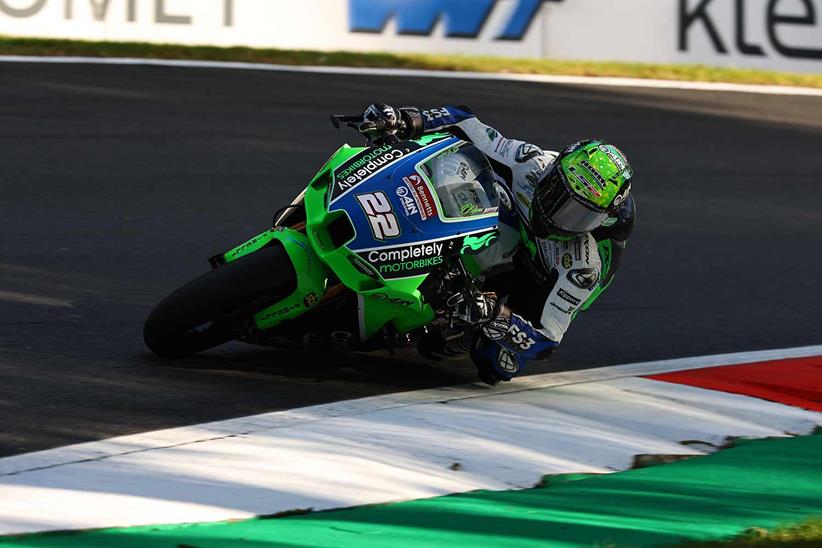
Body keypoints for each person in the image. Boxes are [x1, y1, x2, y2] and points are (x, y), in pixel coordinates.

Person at [359, 103, 636, 385]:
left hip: (542, 276)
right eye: (557, 193)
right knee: (467, 174)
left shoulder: (582, 267)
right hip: (517, 223)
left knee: (494, 362)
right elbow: (465, 122)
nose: (558, 214)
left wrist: (493, 314)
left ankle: (460, 333)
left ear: (599, 220)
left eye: (578, 215)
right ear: (553, 171)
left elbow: (546, 340)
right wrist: (405, 121)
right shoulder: (532, 163)